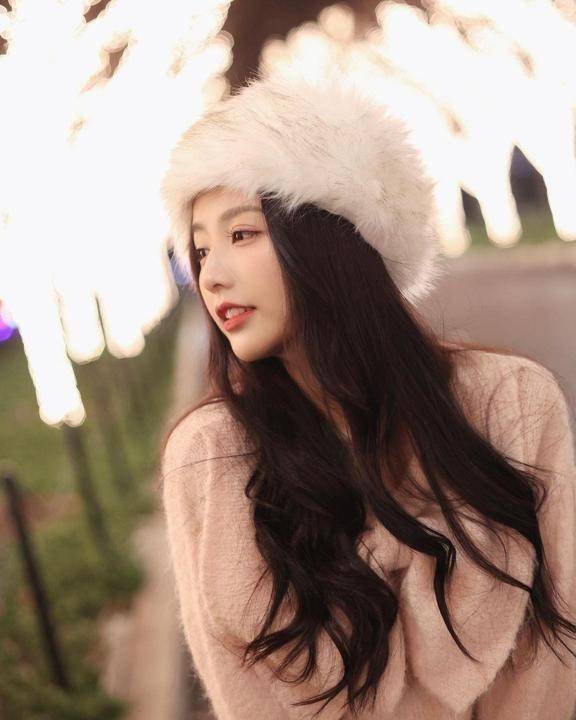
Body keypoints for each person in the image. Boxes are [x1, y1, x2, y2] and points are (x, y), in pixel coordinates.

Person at [158, 69, 576, 720]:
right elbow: (244, 697)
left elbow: (552, 662)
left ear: (332, 242)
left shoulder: (511, 401)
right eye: (200, 249)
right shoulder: (211, 456)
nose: (211, 276)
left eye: (241, 234)